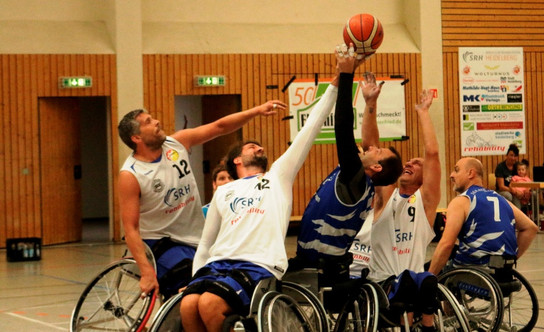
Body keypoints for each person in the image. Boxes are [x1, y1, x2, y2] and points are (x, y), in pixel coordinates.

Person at [179, 45, 365, 332]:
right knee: (188, 305)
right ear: (236, 160)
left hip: (258, 264)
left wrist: (340, 76)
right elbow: (205, 244)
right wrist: (194, 278)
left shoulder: (277, 176)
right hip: (218, 264)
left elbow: (311, 127)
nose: (260, 147)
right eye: (252, 146)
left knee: (208, 304)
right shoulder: (224, 191)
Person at [117, 100, 286, 299]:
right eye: (148, 122)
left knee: (219, 277)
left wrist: (257, 111)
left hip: (193, 235)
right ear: (136, 137)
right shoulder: (131, 175)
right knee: (190, 281)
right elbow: (130, 230)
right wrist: (146, 272)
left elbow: (219, 127)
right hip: (161, 240)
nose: (157, 121)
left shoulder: (176, 143)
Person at [291, 52, 403, 286]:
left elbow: (342, 128)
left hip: (319, 268)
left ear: (375, 166)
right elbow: (365, 143)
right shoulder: (360, 180)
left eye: (378, 151)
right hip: (325, 263)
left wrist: (346, 75)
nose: (372, 147)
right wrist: (370, 104)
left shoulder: (356, 179)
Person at [349, 89, 441, 331]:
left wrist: (423, 112)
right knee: (408, 281)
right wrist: (371, 103)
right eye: (407, 162)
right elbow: (371, 149)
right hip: (382, 284)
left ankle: (426, 326)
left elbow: (432, 153)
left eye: (416, 164)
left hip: (416, 284)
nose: (409, 163)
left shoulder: (426, 202)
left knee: (423, 280)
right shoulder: (386, 196)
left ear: (425, 178)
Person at [428, 157, 538, 275]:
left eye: (456, 170)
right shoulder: (502, 199)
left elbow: (446, 244)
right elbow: (531, 228)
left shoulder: (462, 201)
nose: (451, 175)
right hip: (503, 271)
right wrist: (511, 259)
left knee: (426, 271)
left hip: (475, 269)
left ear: (470, 173)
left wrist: (428, 278)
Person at [495, 143, 520, 208]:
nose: (513, 158)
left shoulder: (518, 167)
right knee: (508, 195)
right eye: (511, 155)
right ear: (506, 155)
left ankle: (534, 216)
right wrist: (514, 191)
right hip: (502, 191)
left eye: (515, 156)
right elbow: (501, 186)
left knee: (533, 194)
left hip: (515, 192)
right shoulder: (500, 167)